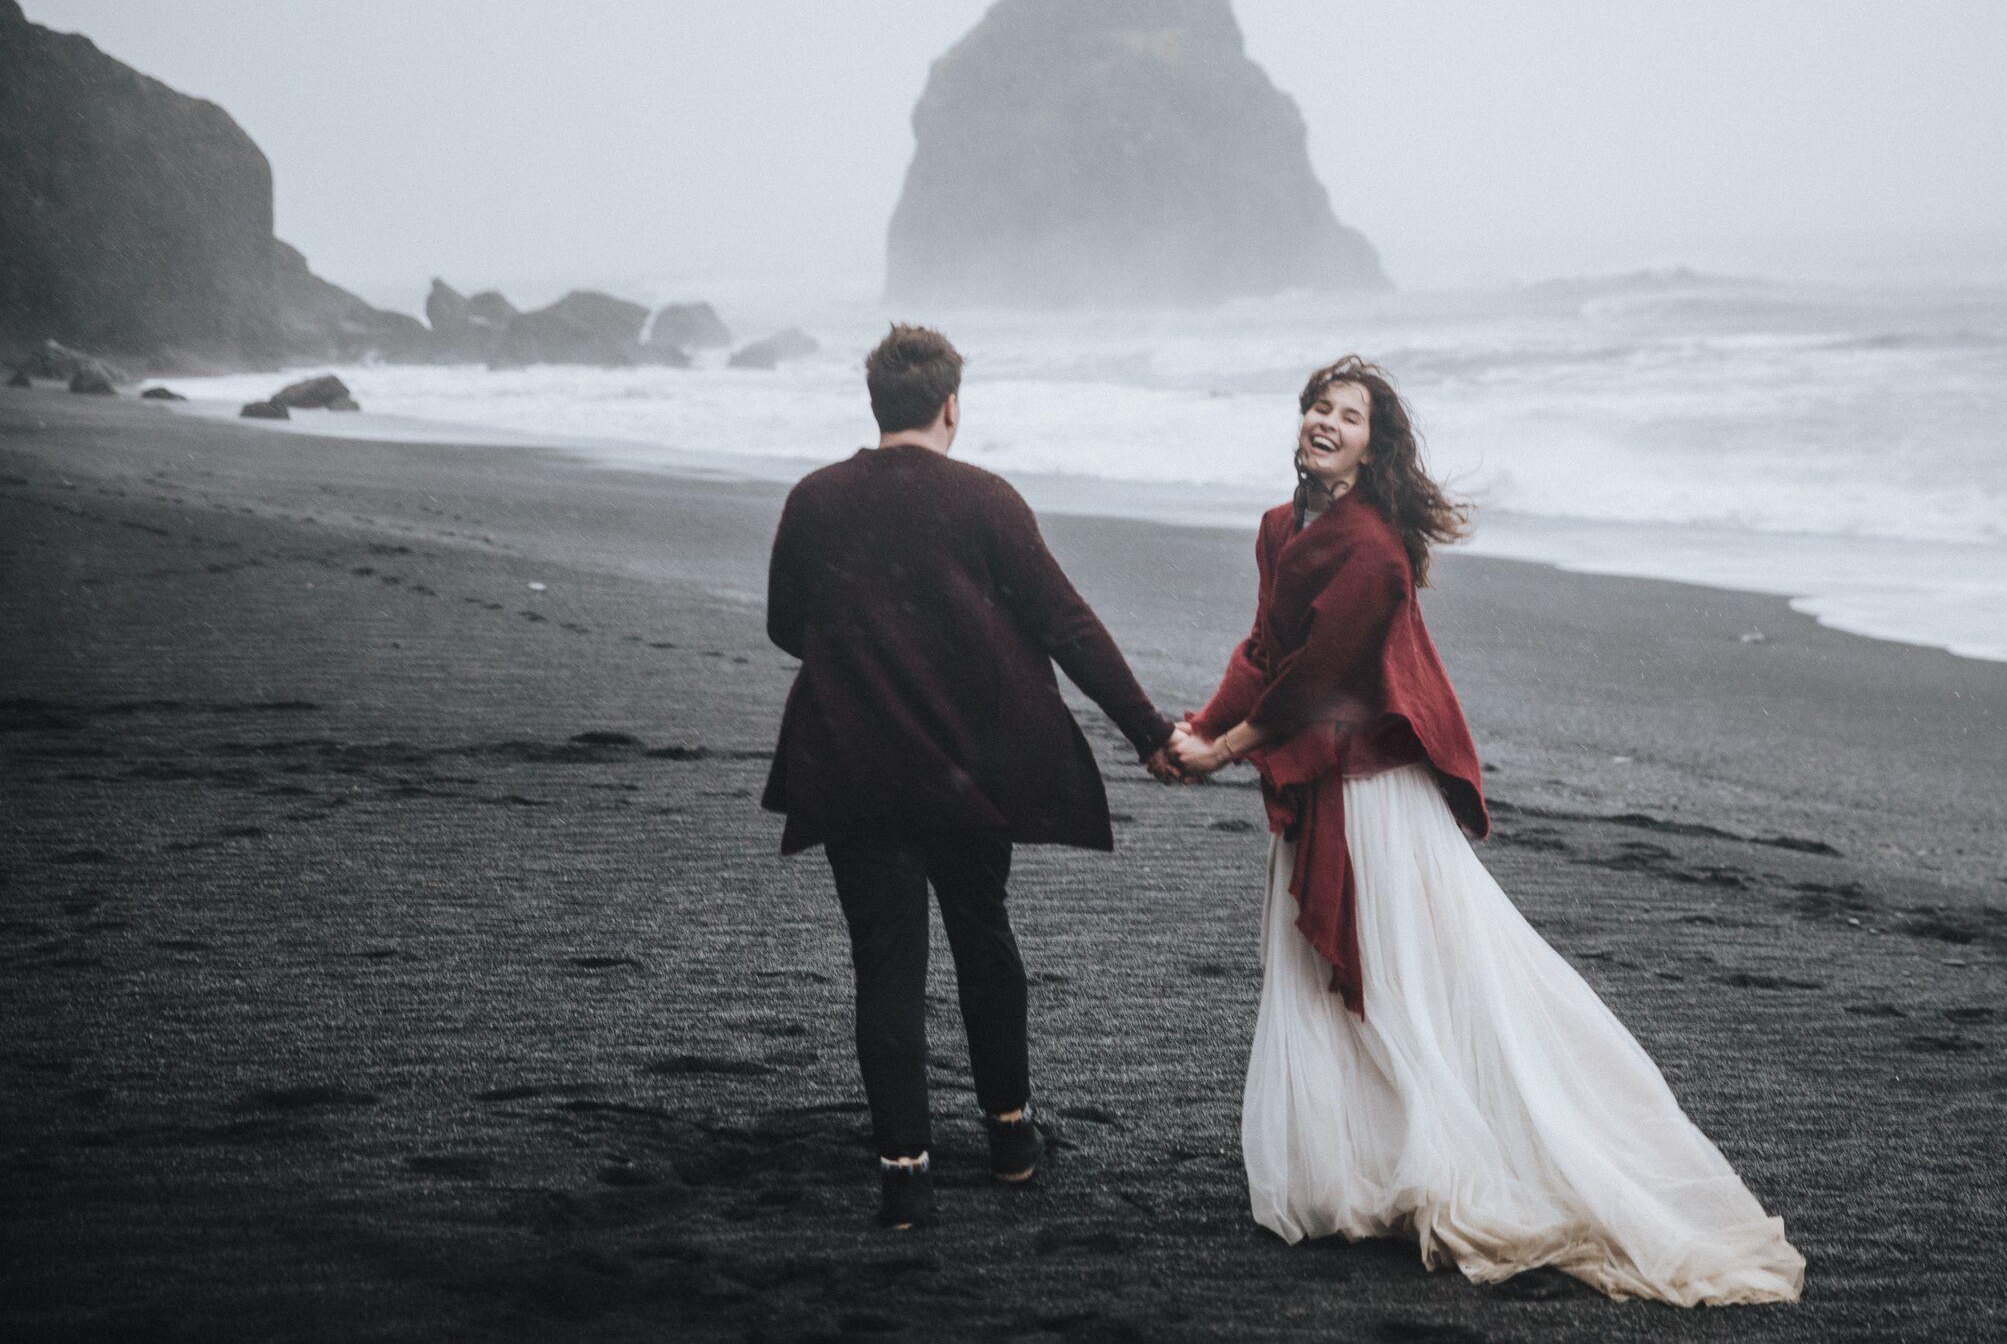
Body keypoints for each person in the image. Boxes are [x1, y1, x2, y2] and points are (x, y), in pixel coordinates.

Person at [1161, 355, 1805, 1304]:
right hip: (1319, 776)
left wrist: (1222, 750)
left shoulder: (1374, 551)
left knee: (1413, 979)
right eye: (1319, 409)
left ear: (1374, 448)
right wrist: (1200, 727)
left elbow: (1323, 682)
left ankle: (1450, 1157)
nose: (1327, 423)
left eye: (1350, 416)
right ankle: (1354, 1172)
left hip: (1377, 795)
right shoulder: (1277, 527)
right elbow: (1263, 652)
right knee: (1327, 982)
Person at [763, 323, 1179, 1230]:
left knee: (887, 968)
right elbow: (1067, 625)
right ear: (953, 405)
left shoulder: (814, 499)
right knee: (984, 944)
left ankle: (905, 1174)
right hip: (964, 773)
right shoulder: (987, 500)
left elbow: (787, 625)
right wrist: (1151, 733)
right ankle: (1011, 1141)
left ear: (876, 405)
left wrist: (871, 647)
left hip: (856, 768)